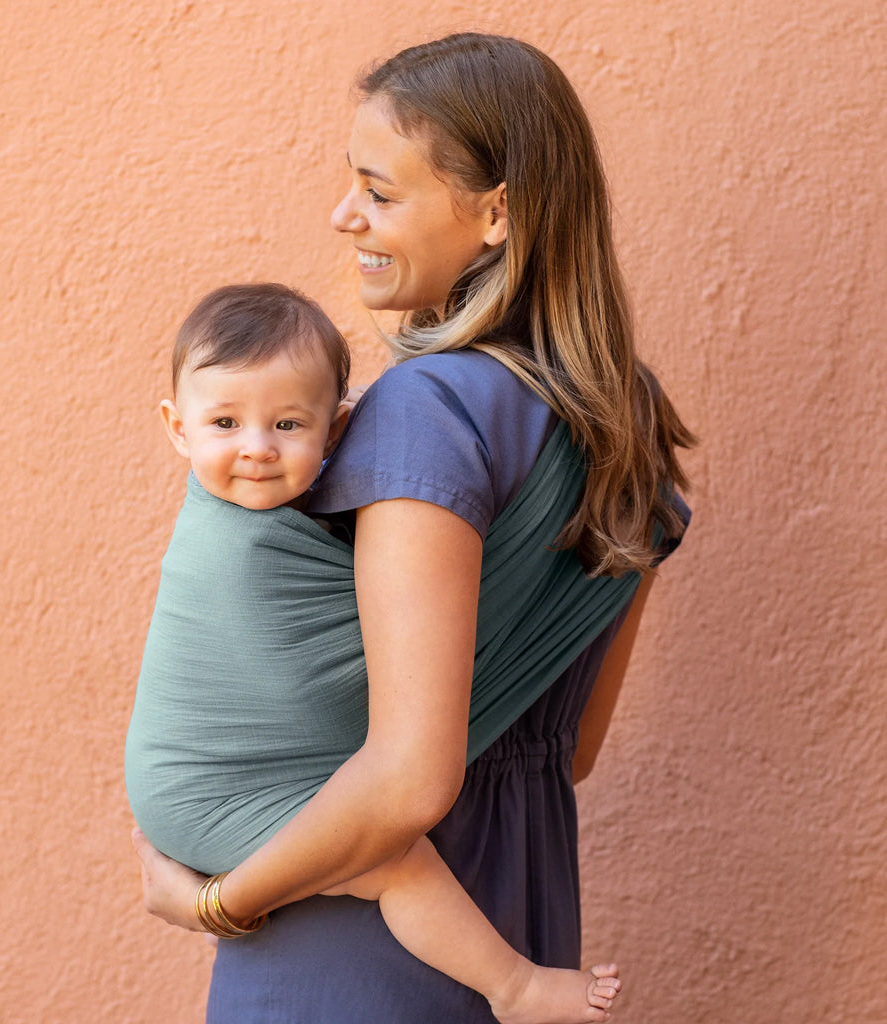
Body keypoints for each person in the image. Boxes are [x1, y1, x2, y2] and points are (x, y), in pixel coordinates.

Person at [132, 32, 695, 1024]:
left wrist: (218, 899)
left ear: (495, 215)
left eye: (379, 192)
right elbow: (569, 749)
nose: (343, 213)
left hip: (345, 942)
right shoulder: (630, 426)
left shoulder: (428, 411)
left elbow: (405, 777)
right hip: (516, 911)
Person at [127, 280, 623, 1023]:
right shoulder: (238, 535)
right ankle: (515, 988)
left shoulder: (377, 468)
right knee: (394, 861)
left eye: (288, 423)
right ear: (176, 427)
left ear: (337, 432)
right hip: (203, 790)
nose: (256, 449)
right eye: (224, 422)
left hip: (205, 794)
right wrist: (217, 905)